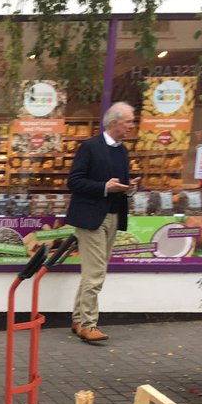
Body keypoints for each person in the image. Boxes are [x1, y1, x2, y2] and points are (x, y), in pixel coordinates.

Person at [64, 101, 141, 344]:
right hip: (91, 218)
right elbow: (74, 182)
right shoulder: (90, 147)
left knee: (93, 272)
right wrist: (104, 187)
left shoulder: (122, 150)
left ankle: (78, 320)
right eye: (129, 121)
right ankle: (89, 324)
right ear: (115, 122)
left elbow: (120, 183)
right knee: (95, 273)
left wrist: (129, 189)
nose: (132, 126)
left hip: (114, 215)